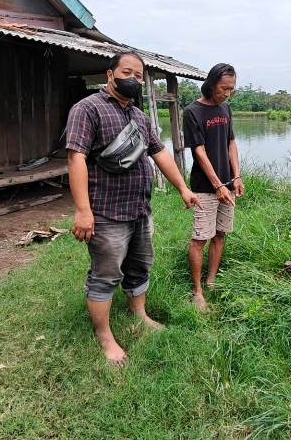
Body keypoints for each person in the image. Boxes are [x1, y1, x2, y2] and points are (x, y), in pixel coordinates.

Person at [66, 52, 200, 365]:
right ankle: (105, 335)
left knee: (140, 265)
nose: (134, 80)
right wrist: (83, 210)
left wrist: (183, 187)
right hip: (106, 211)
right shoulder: (88, 109)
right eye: (128, 72)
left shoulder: (138, 117)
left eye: (139, 76)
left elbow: (160, 152)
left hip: (140, 208)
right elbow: (76, 159)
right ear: (110, 74)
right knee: (106, 274)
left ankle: (139, 313)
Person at [183, 63, 244, 311]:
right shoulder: (192, 112)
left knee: (220, 234)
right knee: (200, 238)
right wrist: (217, 184)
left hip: (227, 185)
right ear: (210, 84)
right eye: (223, 88)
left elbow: (231, 143)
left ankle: (211, 280)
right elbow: (199, 152)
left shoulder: (226, 108)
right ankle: (197, 291)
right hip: (204, 187)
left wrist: (236, 177)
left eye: (231, 89)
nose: (227, 93)